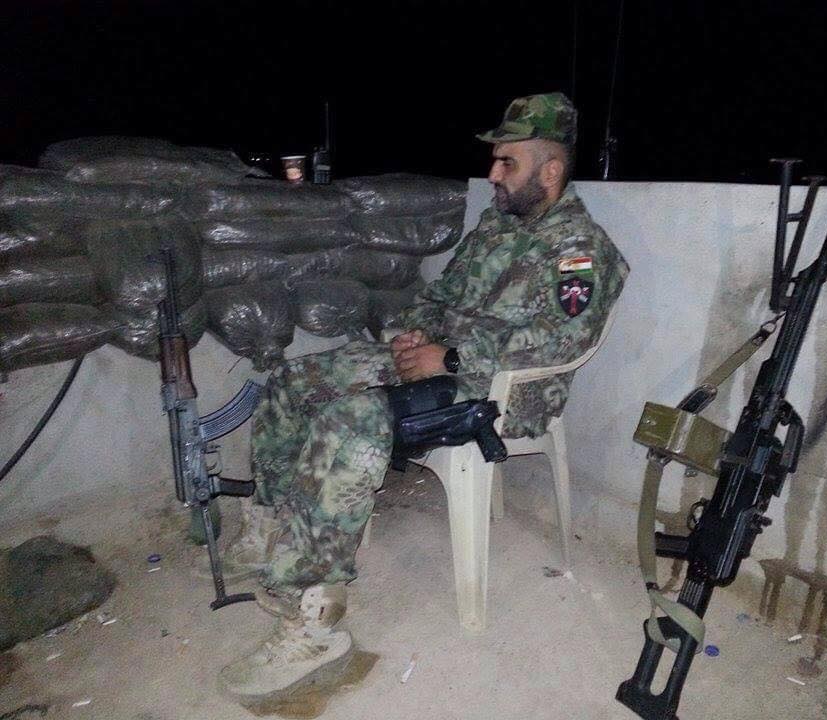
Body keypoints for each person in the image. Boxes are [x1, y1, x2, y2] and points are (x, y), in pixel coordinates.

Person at [216, 92, 630, 703]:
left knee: (351, 420)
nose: (492, 173)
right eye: (494, 160)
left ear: (549, 171)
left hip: (503, 392)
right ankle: (274, 524)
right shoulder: (496, 226)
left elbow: (561, 341)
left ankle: (313, 619)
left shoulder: (580, 249)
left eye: (507, 163)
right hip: (441, 362)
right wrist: (411, 335)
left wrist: (452, 358)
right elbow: (441, 298)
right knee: (291, 381)